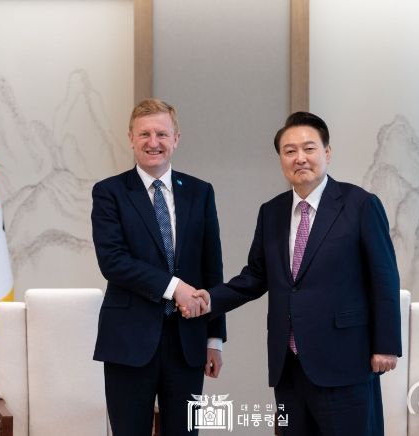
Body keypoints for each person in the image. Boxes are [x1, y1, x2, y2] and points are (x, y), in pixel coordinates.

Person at [185, 111, 401, 435]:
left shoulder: (360, 205)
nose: (300, 158)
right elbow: (255, 276)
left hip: (345, 361)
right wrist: (210, 298)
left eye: (309, 148)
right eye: (290, 151)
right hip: (289, 365)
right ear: (281, 159)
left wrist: (386, 344)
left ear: (327, 153)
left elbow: (384, 278)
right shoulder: (271, 211)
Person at [91, 99, 226, 436]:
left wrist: (214, 338)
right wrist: (174, 287)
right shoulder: (109, 192)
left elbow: (212, 267)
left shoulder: (200, 192)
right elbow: (113, 261)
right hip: (128, 341)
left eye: (162, 134)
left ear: (176, 139)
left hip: (187, 342)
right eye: (145, 134)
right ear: (131, 138)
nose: (154, 142)